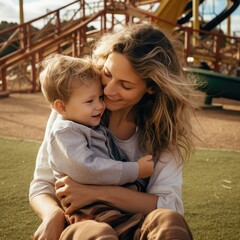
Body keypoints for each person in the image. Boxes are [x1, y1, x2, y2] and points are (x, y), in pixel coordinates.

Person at [29, 23, 196, 240]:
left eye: (125, 85)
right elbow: (43, 183)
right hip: (86, 222)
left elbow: (169, 203)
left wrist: (98, 192)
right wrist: (53, 214)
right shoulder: (74, 108)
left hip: (134, 223)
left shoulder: (165, 130)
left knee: (170, 222)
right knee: (99, 234)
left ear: (152, 87)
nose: (107, 91)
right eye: (107, 73)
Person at [38, 53, 153, 230]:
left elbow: (110, 159)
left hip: (104, 202)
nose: (100, 105)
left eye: (99, 97)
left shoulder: (90, 125)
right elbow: (87, 169)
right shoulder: (65, 132)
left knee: (135, 222)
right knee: (115, 228)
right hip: (85, 208)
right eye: (90, 101)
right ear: (62, 107)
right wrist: (135, 170)